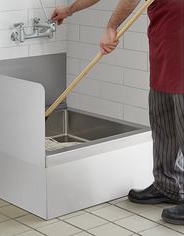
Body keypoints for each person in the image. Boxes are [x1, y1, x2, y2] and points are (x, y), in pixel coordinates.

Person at [52, 0, 184, 225]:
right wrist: (70, 9)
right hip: (165, 45)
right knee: (164, 121)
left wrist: (111, 27)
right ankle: (167, 185)